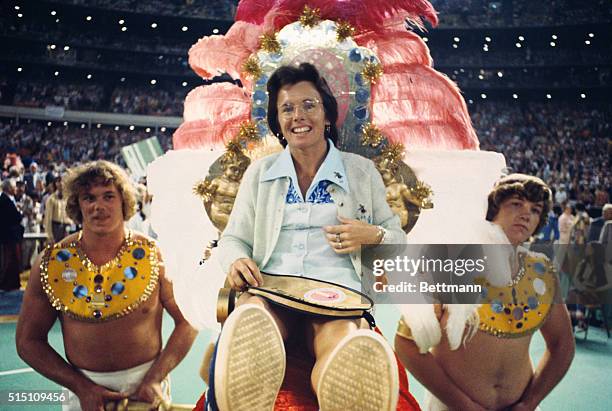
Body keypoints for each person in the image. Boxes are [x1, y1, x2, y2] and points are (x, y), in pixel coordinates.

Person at [213, 63, 406, 411]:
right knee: (251, 323)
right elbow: (232, 239)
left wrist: (372, 234)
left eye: (309, 105)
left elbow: (397, 241)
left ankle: (343, 388)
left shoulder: (361, 172)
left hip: (339, 296)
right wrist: (237, 260)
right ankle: (248, 389)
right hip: (271, 290)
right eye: (286, 108)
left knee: (344, 346)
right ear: (277, 122)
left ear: (327, 114)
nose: (298, 115)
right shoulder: (260, 173)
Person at [15, 160, 198, 411]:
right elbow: (28, 341)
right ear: (77, 206)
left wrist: (154, 378)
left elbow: (188, 321)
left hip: (146, 390)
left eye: (108, 196)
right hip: (82, 394)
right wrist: (81, 387)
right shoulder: (52, 263)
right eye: (89, 198)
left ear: (124, 202)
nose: (98, 206)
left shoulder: (154, 255)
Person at [395, 174, 575, 411]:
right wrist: (463, 404)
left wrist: (531, 402)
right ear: (493, 209)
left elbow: (563, 344)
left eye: (535, 209)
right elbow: (406, 344)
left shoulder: (542, 272)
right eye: (516, 204)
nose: (526, 214)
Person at [0, 178, 23, 291]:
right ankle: (7, 284)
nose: (16, 188)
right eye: (14, 186)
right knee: (10, 261)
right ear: (9, 188)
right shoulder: (4, 199)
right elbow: (15, 217)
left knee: (13, 261)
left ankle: (12, 283)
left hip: (12, 236)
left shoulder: (9, 199)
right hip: (9, 236)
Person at [43, 175, 74, 244]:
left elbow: (71, 214)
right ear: (55, 184)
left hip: (67, 228)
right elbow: (48, 218)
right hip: (56, 228)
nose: (61, 184)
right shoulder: (51, 199)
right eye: (59, 181)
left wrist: (70, 225)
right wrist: (49, 236)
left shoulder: (68, 198)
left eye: (63, 181)